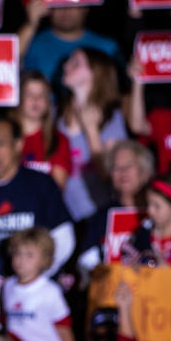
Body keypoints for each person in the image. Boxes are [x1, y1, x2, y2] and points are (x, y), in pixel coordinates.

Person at [0, 115, 74, 277]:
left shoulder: (41, 184)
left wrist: (35, 279)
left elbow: (64, 237)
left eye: (1, 143)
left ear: (18, 145)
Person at [56, 47, 128, 220]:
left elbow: (113, 175)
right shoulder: (55, 115)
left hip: (96, 212)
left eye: (76, 63)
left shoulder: (112, 118)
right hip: (60, 213)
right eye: (68, 61)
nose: (66, 66)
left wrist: (91, 131)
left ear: (96, 73)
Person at [1, 228, 76, 341]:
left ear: (44, 260)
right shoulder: (7, 286)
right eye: (17, 253)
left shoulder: (50, 291)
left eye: (29, 255)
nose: (21, 260)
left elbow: (64, 330)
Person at [77, 140, 153, 273]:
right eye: (116, 168)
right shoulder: (101, 217)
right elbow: (87, 260)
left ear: (145, 171)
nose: (122, 172)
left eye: (129, 166)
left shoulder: (159, 212)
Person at [18, 3, 122, 83]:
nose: (65, 10)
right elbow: (8, 62)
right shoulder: (32, 43)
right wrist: (31, 24)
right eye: (58, 4)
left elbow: (125, 93)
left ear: (85, 7)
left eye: (72, 4)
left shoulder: (108, 47)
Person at [13, 71, 70, 189]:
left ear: (49, 101)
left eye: (42, 95)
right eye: (29, 94)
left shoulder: (59, 140)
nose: (35, 100)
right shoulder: (6, 137)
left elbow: (57, 189)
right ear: (19, 97)